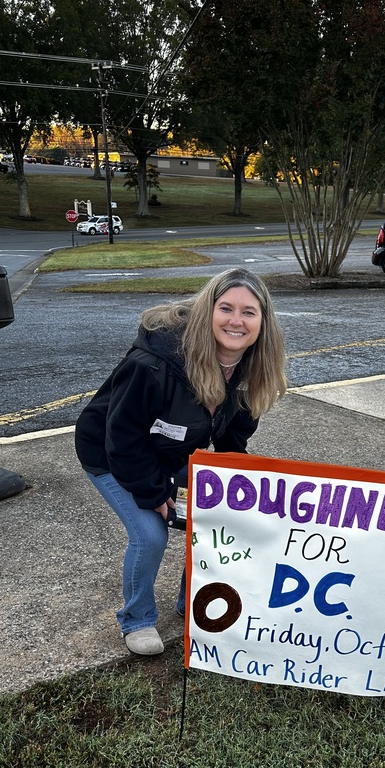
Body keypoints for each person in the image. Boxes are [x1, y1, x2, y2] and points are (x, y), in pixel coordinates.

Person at [75, 268, 288, 656]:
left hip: (170, 450)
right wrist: (155, 493)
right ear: (209, 311)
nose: (236, 321)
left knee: (221, 519)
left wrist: (236, 491)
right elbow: (122, 438)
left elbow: (230, 441)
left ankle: (191, 602)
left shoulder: (250, 369)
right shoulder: (154, 363)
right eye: (226, 308)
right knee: (151, 533)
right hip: (110, 452)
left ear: (263, 322)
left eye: (248, 312)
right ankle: (137, 620)